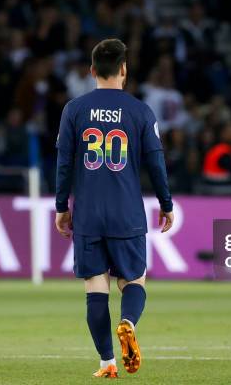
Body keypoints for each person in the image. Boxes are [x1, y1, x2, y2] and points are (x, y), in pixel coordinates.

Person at [54, 38, 174, 378]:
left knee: (95, 287)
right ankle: (128, 321)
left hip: (89, 213)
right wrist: (166, 204)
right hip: (126, 213)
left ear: (92, 71)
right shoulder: (140, 111)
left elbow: (63, 164)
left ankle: (107, 363)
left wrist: (62, 207)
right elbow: (156, 163)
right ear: (124, 69)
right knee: (133, 281)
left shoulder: (74, 110)